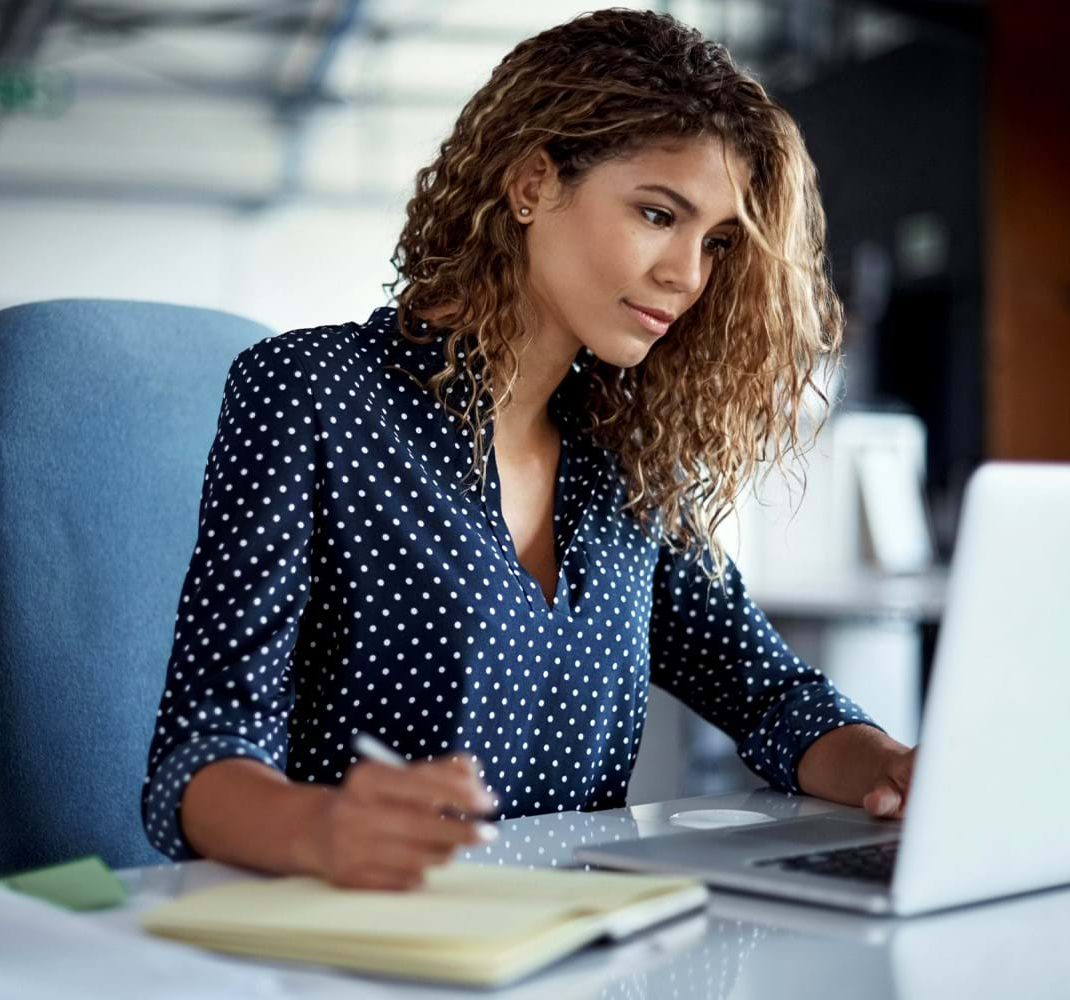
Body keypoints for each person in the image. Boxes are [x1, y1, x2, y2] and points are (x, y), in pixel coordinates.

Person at [141, 7, 916, 892]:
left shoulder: (623, 460)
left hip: (573, 950)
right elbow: (197, 760)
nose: (689, 275)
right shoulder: (312, 391)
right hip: (356, 948)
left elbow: (774, 699)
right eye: (658, 213)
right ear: (532, 184)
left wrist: (892, 768)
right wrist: (319, 827)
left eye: (715, 243)